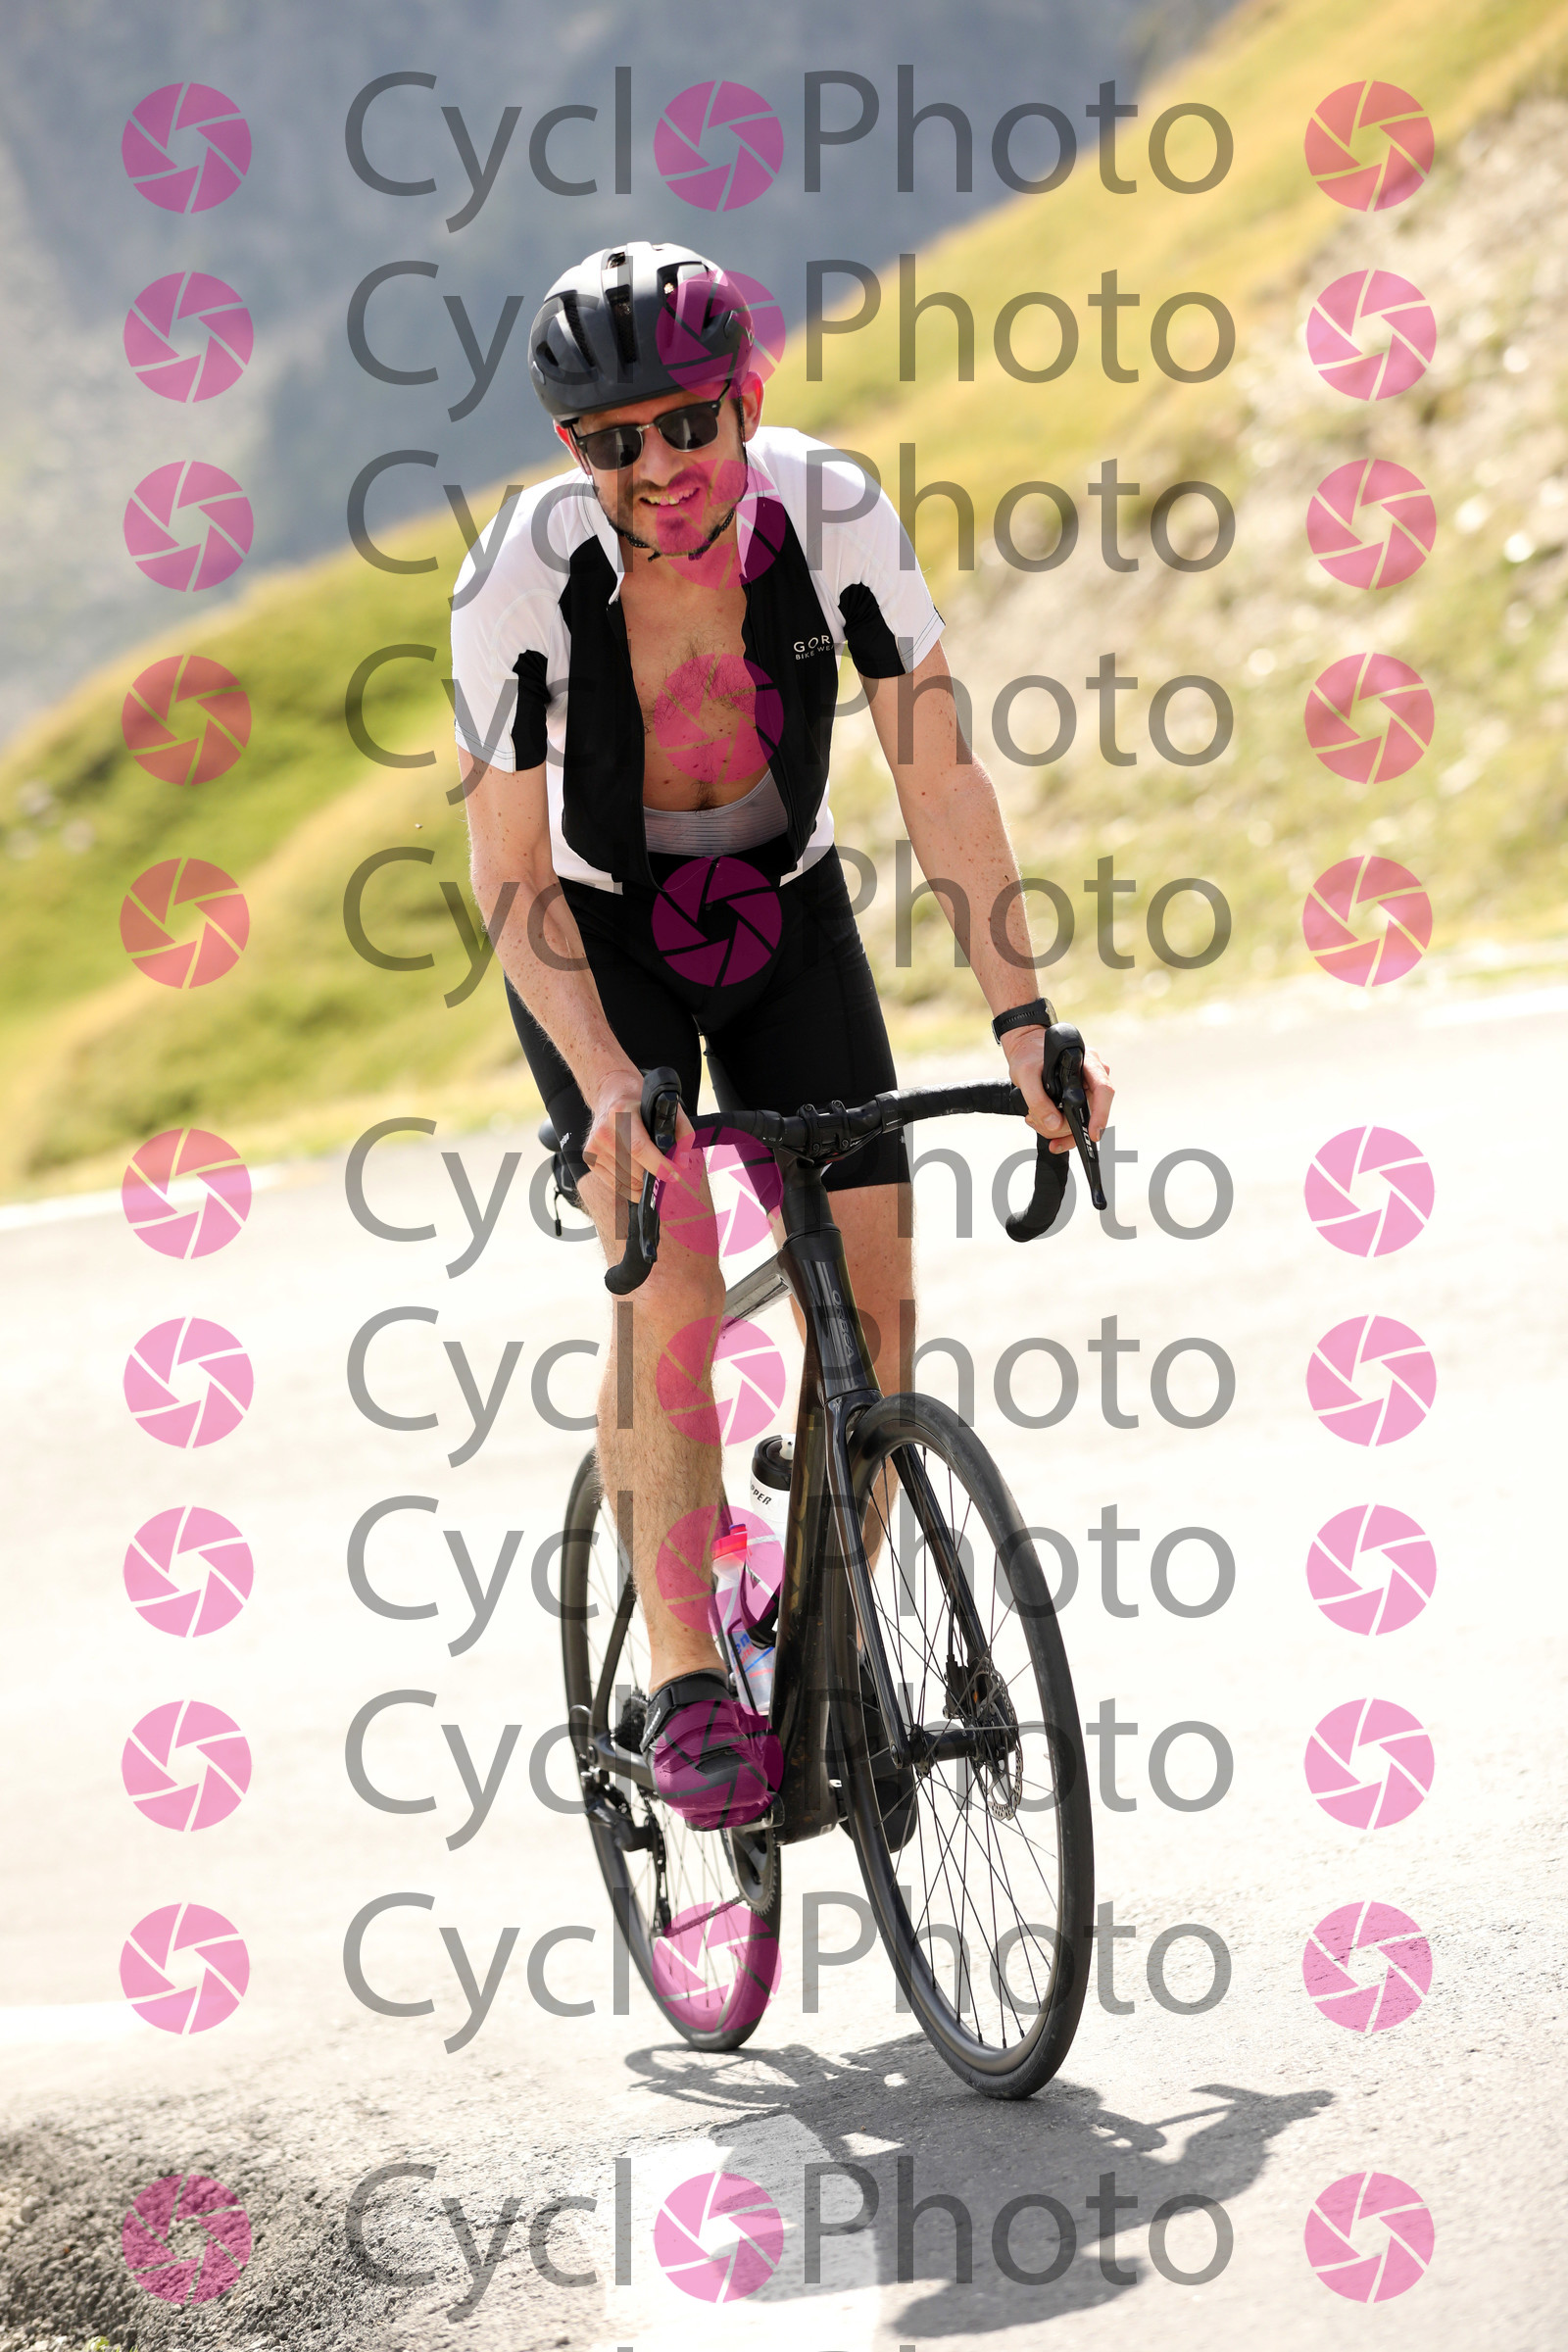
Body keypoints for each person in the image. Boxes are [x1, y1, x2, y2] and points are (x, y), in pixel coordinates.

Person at [453, 240, 1111, 1830]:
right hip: (603, 937)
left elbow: (938, 775)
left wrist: (1024, 1022)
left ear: (745, 400)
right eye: (613, 441)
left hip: (781, 912)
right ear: (572, 447)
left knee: (878, 1302)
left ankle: (825, 1639)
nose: (657, 467)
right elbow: (510, 871)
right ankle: (686, 1679)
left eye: (688, 423)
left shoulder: (835, 518)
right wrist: (606, 1086)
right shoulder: (520, 580)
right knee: (669, 1264)